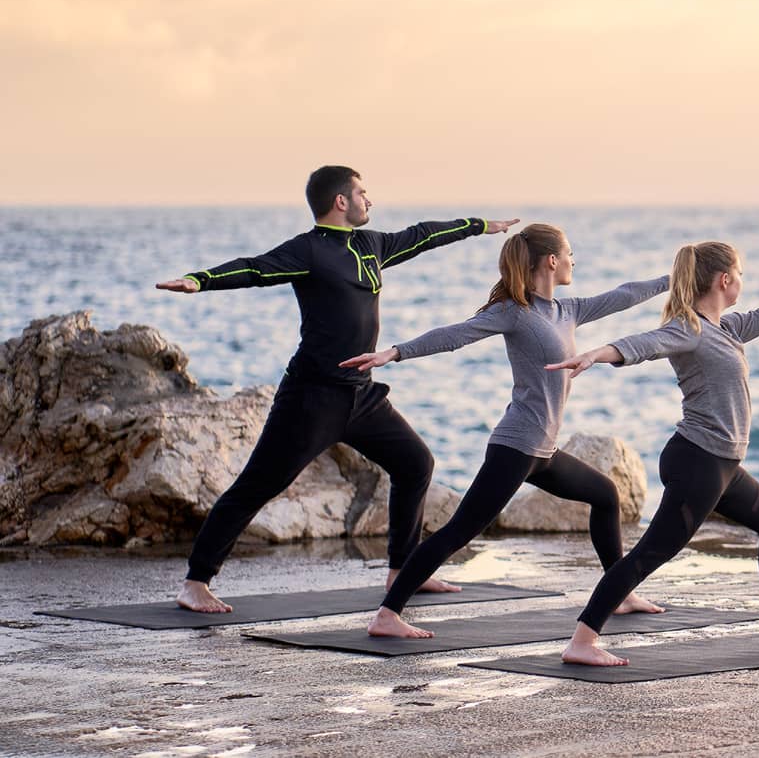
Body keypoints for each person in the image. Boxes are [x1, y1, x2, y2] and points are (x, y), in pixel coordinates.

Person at [155, 165, 517, 613]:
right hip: (312, 397)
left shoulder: (372, 244)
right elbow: (254, 268)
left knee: (415, 462)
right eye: (363, 192)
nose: (370, 200)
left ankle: (401, 571)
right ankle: (196, 582)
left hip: (361, 395)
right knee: (259, 484)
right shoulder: (307, 250)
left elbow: (423, 234)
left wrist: (480, 227)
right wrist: (200, 280)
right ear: (340, 201)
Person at [340, 223, 669, 638]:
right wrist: (395, 353)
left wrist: (670, 281)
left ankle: (619, 594)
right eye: (569, 253)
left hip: (542, 452)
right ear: (551, 260)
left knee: (605, 495)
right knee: (460, 530)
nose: (573, 260)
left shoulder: (567, 311)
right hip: (516, 446)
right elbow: (455, 335)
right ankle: (388, 613)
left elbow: (621, 296)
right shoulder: (515, 312)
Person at [545, 241, 759, 665]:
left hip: (722, 465)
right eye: (741, 273)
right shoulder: (688, 329)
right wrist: (597, 355)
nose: (743, 281)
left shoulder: (725, 329)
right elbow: (643, 343)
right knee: (652, 552)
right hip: (698, 461)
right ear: (724, 279)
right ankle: (581, 641)